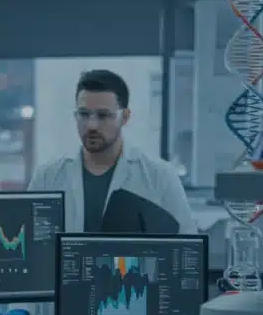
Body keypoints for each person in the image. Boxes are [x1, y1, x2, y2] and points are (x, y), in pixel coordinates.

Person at [28, 69, 196, 233]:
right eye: (84, 114)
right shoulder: (47, 177)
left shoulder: (160, 176)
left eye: (103, 115)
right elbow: (30, 245)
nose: (91, 125)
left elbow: (188, 246)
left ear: (125, 117)